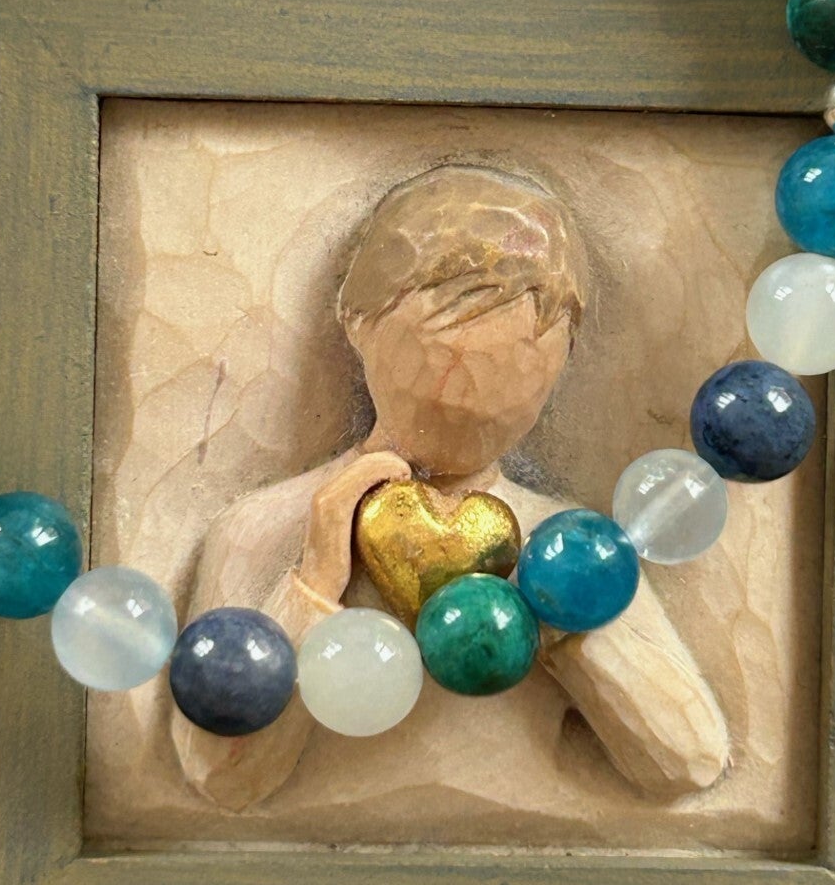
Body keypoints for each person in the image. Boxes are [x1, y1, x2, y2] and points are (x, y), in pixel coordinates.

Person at [170, 163, 729, 811]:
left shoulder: (569, 549)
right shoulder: (263, 529)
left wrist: (563, 614)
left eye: (520, 373)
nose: (472, 400)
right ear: (357, 320)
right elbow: (220, 776)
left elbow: (690, 761)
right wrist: (313, 589)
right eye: (445, 342)